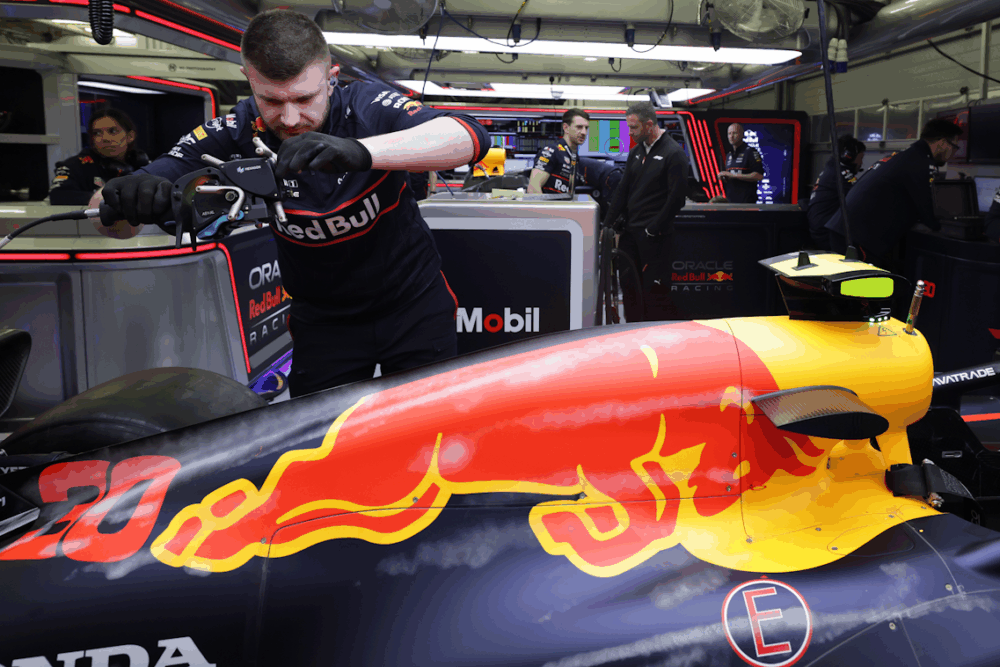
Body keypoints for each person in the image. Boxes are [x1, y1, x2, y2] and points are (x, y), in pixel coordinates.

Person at [92, 9, 490, 397]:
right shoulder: (235, 130)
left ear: (331, 78)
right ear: (249, 80)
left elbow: (469, 137)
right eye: (271, 100)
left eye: (304, 98)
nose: (290, 118)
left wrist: (361, 151)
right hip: (323, 322)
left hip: (412, 306)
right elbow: (111, 224)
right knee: (319, 433)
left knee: (424, 426)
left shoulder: (367, 106)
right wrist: (126, 195)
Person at [824, 119, 963, 270]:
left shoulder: (906, 156)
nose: (954, 152)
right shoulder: (920, 163)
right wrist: (951, 228)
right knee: (862, 283)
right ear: (942, 142)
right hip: (858, 238)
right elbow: (927, 210)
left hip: (847, 231)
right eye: (954, 146)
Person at [602, 102, 687, 322]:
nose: (630, 133)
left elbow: (676, 200)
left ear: (649, 125)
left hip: (655, 239)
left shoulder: (673, 153)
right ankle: (631, 333)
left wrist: (653, 229)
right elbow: (622, 190)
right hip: (630, 235)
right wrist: (607, 225)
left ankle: (652, 337)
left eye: (634, 128)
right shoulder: (636, 152)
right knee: (629, 288)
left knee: (654, 295)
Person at [49, 109, 149, 205]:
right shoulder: (74, 166)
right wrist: (106, 198)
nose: (105, 138)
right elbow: (58, 195)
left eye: (113, 131)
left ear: (130, 136)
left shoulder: (143, 165)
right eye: (97, 133)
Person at [805, 135, 866, 250]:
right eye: (861, 158)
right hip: (827, 234)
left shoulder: (832, 168)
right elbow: (862, 195)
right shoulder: (841, 174)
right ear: (848, 156)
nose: (861, 163)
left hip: (820, 230)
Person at [527, 109, 589, 195]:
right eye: (579, 127)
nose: (584, 132)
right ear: (566, 128)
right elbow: (533, 189)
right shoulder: (551, 151)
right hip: (549, 203)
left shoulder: (574, 157)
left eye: (586, 128)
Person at [717, 122, 764, 204]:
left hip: (747, 203)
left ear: (742, 135)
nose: (731, 136)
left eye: (734, 133)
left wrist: (733, 175)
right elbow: (731, 177)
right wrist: (725, 177)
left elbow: (759, 176)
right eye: (729, 133)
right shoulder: (729, 154)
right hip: (730, 202)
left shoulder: (751, 152)